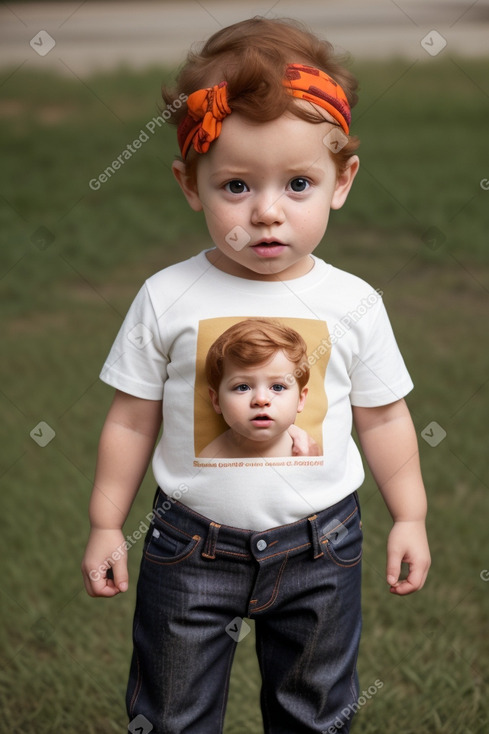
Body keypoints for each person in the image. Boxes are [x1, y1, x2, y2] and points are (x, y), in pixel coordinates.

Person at [81, 16, 431, 734]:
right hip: (187, 548)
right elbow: (130, 417)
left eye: (298, 183)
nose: (267, 213)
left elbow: (384, 416)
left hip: (321, 548)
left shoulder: (352, 303)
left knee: (316, 713)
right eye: (236, 185)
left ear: (341, 181)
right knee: (171, 714)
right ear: (190, 185)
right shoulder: (166, 297)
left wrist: (412, 515)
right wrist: (106, 523)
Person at [199, 317, 314, 458]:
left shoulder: (308, 451)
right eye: (242, 387)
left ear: (300, 400)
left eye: (277, 387)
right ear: (216, 401)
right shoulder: (210, 458)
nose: (261, 400)